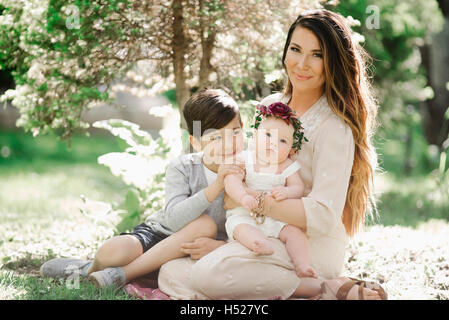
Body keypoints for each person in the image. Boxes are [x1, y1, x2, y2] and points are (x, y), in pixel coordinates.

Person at [156, 9, 387, 300]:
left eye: (317, 54)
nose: (302, 64)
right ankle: (294, 288)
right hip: (256, 230)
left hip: (306, 242)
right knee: (171, 273)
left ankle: (324, 285)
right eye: (296, 49)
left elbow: (324, 214)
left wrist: (259, 203)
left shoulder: (334, 126)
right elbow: (251, 168)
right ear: (286, 49)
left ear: (333, 62)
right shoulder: (271, 105)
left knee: (207, 274)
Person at [39, 88, 245, 288]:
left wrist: (221, 246)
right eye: (216, 137)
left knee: (205, 227)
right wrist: (217, 185)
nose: (230, 144)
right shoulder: (183, 167)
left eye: (235, 132)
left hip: (200, 248)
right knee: (113, 251)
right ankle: (88, 269)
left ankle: (122, 274)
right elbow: (173, 218)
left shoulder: (252, 169)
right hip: (162, 235)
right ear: (196, 143)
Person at [223, 102, 317, 279]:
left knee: (295, 234)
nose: (273, 143)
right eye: (268, 135)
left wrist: (287, 192)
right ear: (256, 134)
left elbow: (298, 187)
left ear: (291, 148)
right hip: (245, 212)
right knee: (241, 228)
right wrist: (242, 197)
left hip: (277, 217)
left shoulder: (287, 165)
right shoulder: (246, 158)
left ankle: (303, 265)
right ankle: (257, 243)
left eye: (282, 141)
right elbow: (231, 180)